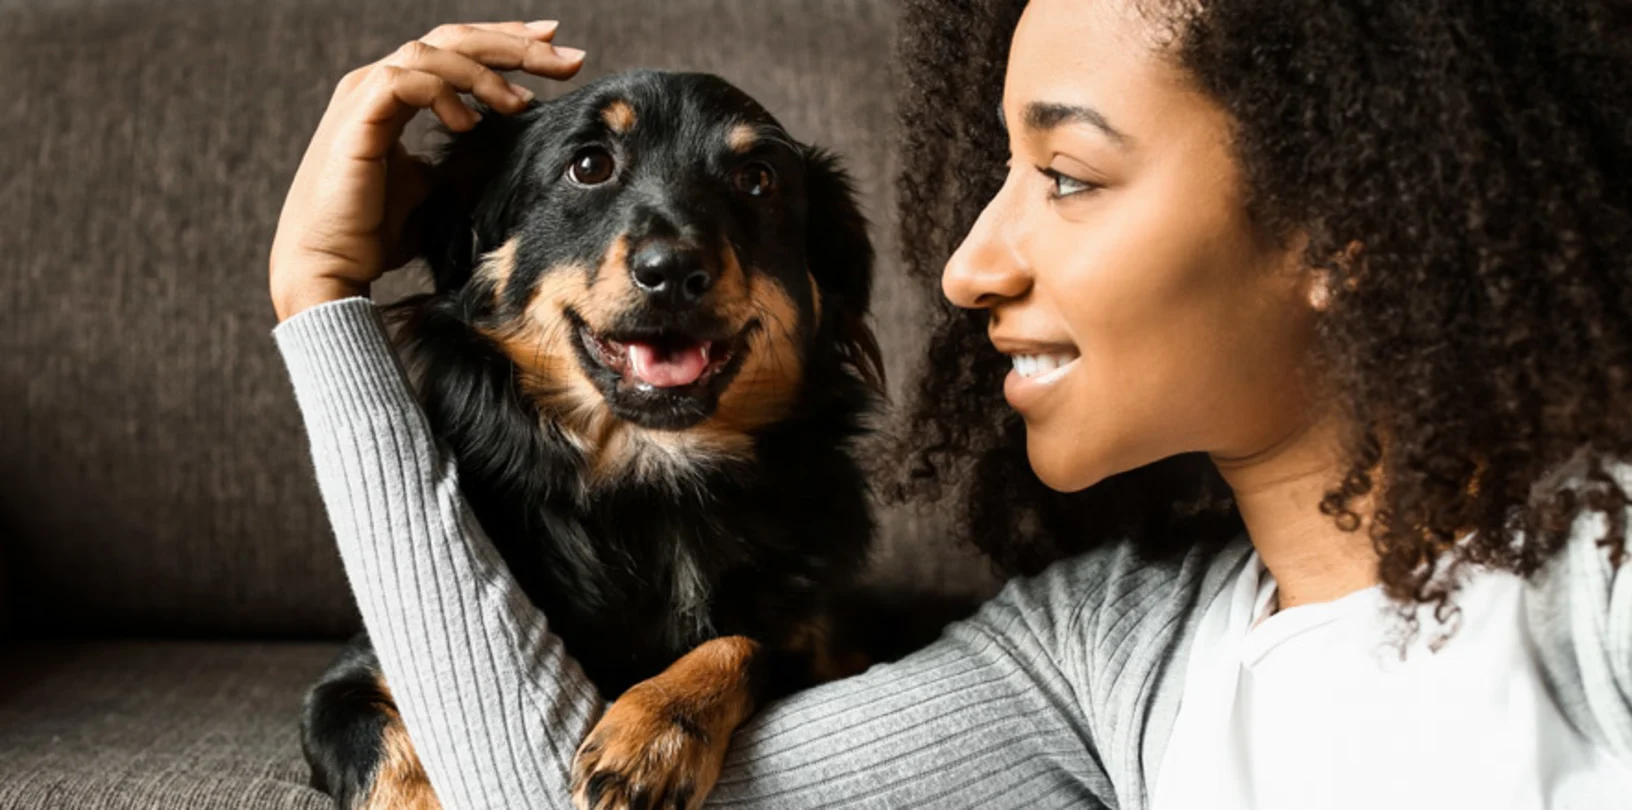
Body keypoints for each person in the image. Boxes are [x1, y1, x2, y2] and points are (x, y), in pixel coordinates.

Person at [267, 1, 1632, 808]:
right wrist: (320, 299)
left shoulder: (1601, 574)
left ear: (1347, 225)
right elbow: (546, 795)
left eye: (1071, 176)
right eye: (996, 174)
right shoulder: (1098, 657)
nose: (968, 266)